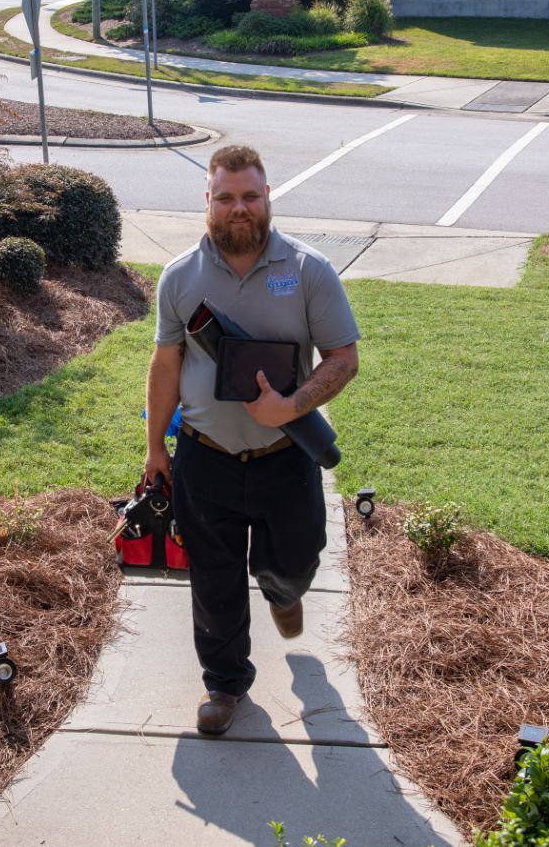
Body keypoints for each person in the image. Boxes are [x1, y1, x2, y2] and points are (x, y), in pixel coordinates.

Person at [145, 144, 360, 735]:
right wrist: (155, 448)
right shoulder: (180, 277)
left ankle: (283, 590)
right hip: (204, 457)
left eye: (250, 196)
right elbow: (166, 364)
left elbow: (343, 359)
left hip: (285, 458)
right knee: (212, 578)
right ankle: (224, 685)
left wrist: (290, 407)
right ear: (207, 201)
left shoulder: (308, 269)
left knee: (296, 558)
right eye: (225, 197)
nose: (238, 208)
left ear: (268, 198)